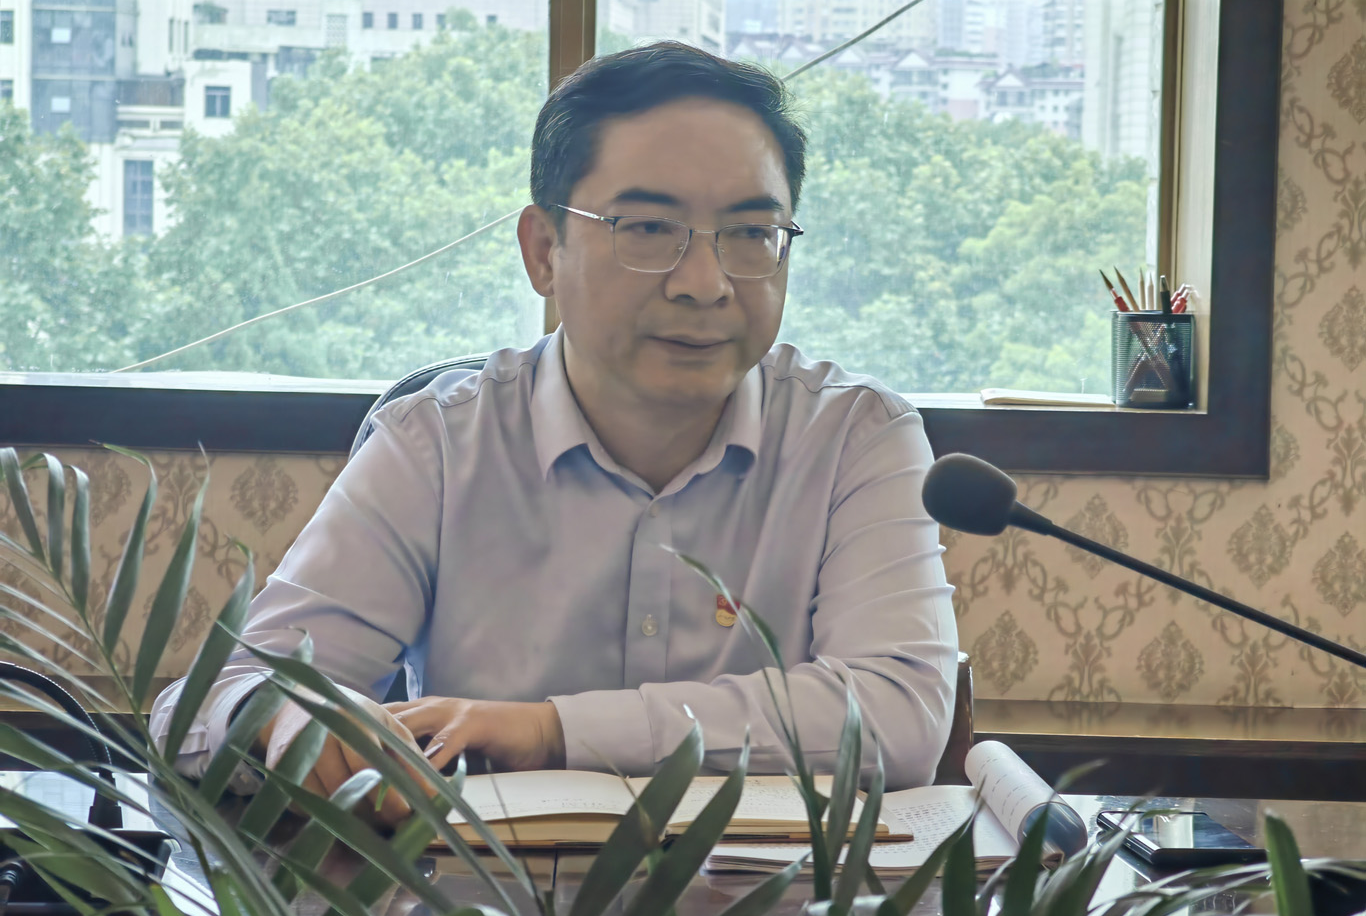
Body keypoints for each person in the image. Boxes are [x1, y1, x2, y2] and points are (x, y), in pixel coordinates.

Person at [150, 41, 958, 827]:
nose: (705, 284)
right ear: (543, 251)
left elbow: (899, 714)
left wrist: (550, 730)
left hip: (772, 908)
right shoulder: (436, 445)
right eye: (650, 228)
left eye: (751, 234)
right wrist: (287, 719)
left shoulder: (857, 438)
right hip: (476, 904)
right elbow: (213, 700)